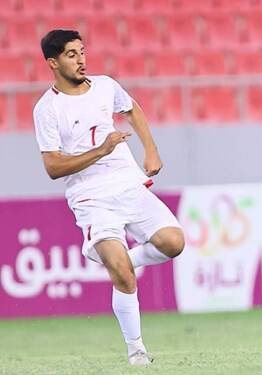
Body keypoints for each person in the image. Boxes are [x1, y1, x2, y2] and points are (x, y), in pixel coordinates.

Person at [33, 30, 186, 365]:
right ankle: (137, 352)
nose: (81, 59)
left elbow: (132, 109)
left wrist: (151, 150)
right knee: (123, 276)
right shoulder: (47, 109)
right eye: (71, 54)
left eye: (82, 52)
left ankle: (122, 264)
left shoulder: (105, 85)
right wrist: (101, 149)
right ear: (53, 62)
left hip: (127, 184)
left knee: (174, 242)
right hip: (91, 198)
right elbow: (53, 166)